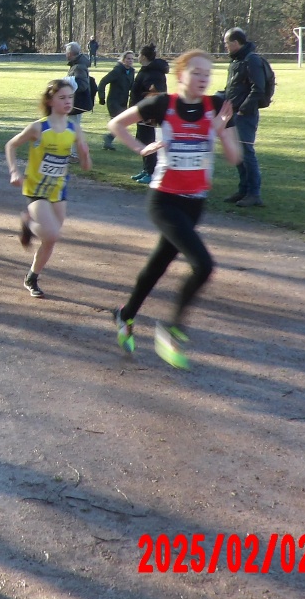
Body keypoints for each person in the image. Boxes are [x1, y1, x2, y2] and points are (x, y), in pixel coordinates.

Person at [106, 49, 242, 369]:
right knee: (204, 265)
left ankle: (125, 316)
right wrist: (142, 147)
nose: (203, 78)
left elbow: (235, 157)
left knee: (158, 265)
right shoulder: (162, 104)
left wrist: (220, 129)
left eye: (208, 73)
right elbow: (116, 124)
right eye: (196, 72)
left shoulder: (217, 108)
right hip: (163, 200)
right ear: (181, 75)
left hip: (195, 203)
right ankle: (172, 331)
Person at [5, 78, 92, 298]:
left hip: (58, 190)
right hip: (36, 188)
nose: (67, 101)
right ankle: (27, 222)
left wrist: (84, 153)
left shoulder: (74, 129)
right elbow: (11, 145)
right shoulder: (39, 128)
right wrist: (14, 171)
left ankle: (32, 277)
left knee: (49, 239)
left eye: (70, 97)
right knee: (52, 234)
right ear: (51, 101)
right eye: (62, 97)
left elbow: (86, 166)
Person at [220, 27, 268, 207]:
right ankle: (243, 190)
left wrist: (242, 109)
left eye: (226, 43)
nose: (225, 46)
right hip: (232, 113)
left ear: (235, 42)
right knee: (238, 153)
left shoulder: (251, 60)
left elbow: (258, 88)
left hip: (244, 115)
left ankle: (254, 193)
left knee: (246, 153)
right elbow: (233, 88)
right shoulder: (237, 61)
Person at [128, 45, 169, 183]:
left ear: (144, 57)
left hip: (149, 114)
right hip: (141, 112)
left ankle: (151, 172)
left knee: (149, 142)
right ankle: (146, 169)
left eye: (139, 55)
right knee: (142, 139)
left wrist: (146, 111)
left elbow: (154, 94)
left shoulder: (154, 73)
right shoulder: (146, 70)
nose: (137, 58)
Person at [97, 52, 135, 150]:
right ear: (123, 59)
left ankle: (108, 140)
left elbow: (131, 86)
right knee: (120, 122)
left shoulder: (131, 71)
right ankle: (108, 139)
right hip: (114, 101)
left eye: (132, 59)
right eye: (128, 59)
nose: (130, 61)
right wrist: (102, 97)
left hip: (123, 102)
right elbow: (103, 82)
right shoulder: (117, 71)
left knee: (123, 122)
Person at [64, 42, 93, 115]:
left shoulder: (79, 67)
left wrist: (68, 86)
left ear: (70, 53)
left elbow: (82, 85)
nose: (65, 55)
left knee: (73, 125)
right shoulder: (77, 65)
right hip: (75, 103)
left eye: (66, 52)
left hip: (77, 103)